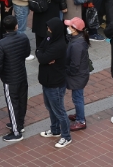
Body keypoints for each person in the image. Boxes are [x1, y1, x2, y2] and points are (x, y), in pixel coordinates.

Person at [34, 18, 71, 147]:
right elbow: (39, 50)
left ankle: (66, 136)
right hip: (47, 81)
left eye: (50, 29)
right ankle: (55, 130)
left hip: (55, 83)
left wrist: (42, 55)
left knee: (59, 111)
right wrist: (42, 54)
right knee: (50, 108)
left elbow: (42, 57)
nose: (48, 31)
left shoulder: (59, 45)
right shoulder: (50, 39)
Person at [0, 14, 29, 141]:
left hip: (9, 78)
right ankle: (20, 124)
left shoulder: (1, 44)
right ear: (16, 26)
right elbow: (27, 53)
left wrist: (2, 72)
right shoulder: (23, 37)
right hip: (22, 74)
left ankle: (16, 131)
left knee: (12, 104)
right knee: (22, 100)